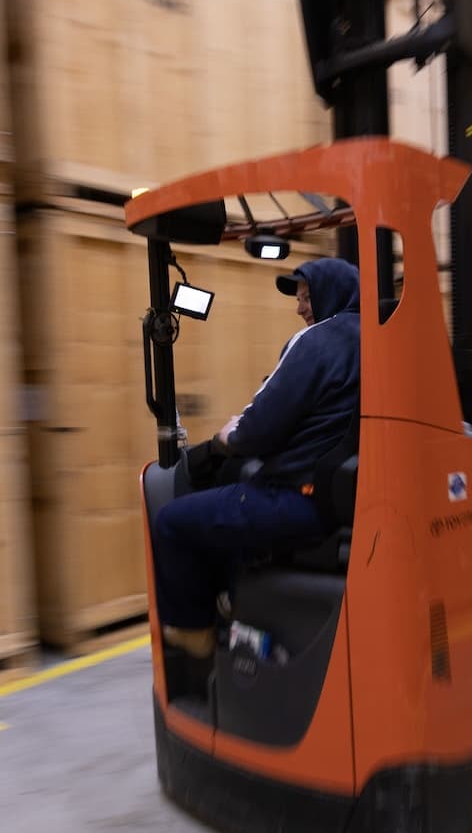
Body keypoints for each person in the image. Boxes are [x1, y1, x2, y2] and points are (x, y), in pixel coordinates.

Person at [151, 257, 361, 667]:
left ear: (332, 293)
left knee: (172, 522)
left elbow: (259, 429)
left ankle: (195, 636)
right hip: (339, 500)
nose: (300, 307)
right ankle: (234, 605)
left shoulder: (317, 341)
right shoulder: (377, 340)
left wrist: (231, 434)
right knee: (229, 506)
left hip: (298, 499)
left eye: (306, 296)